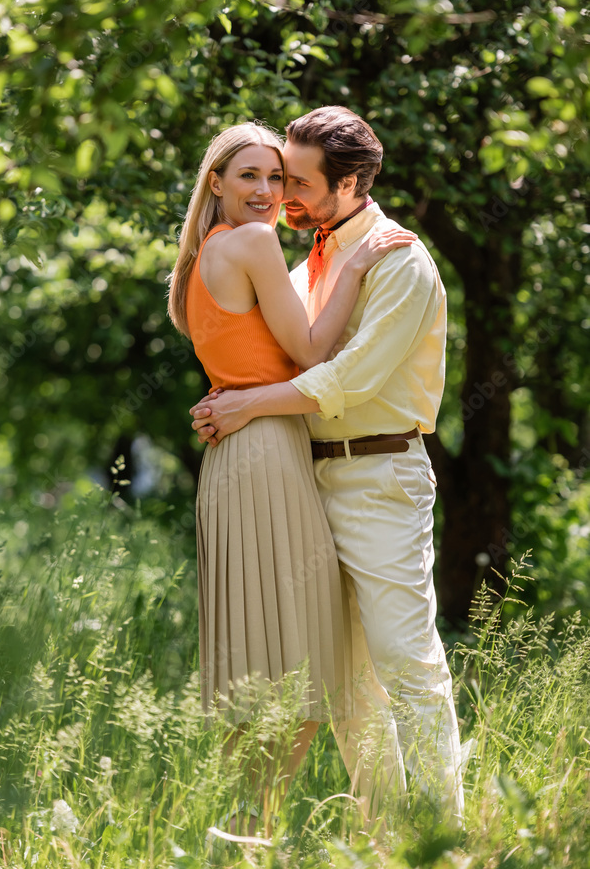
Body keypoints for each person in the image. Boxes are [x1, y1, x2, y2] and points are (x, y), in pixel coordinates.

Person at [191, 106, 465, 831]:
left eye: (299, 182)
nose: (282, 193)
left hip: (378, 478)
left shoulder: (400, 261)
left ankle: (441, 836)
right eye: (279, 177)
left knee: (405, 661)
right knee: (344, 682)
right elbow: (279, 350)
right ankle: (387, 832)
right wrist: (231, 397)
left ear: (350, 184)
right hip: (304, 478)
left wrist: (247, 405)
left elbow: (348, 377)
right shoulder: (304, 258)